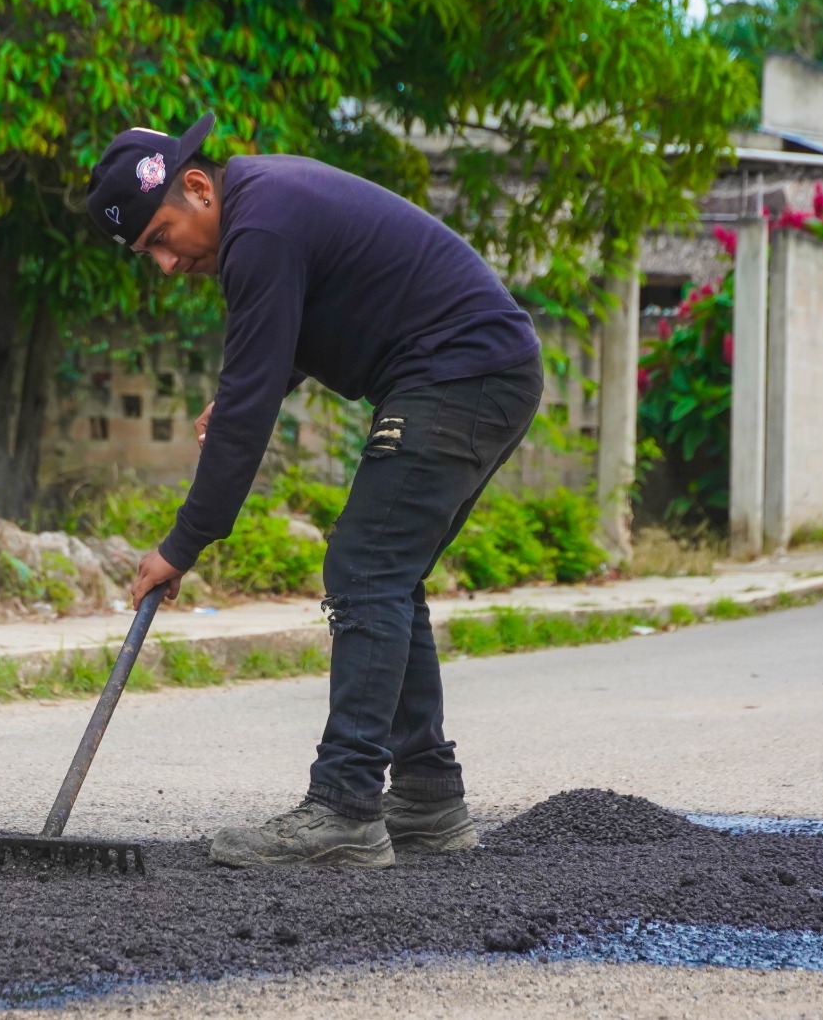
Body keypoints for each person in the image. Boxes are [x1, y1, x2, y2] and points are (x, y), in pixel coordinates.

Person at [84, 113, 542, 869]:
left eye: (161, 237)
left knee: (366, 568)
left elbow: (245, 420)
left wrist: (181, 545)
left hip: (461, 372)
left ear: (197, 187)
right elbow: (288, 340)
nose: (164, 264)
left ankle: (346, 807)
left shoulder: (259, 230)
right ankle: (428, 797)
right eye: (146, 253)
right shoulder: (263, 206)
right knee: (385, 574)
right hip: (479, 370)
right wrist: (249, 393)